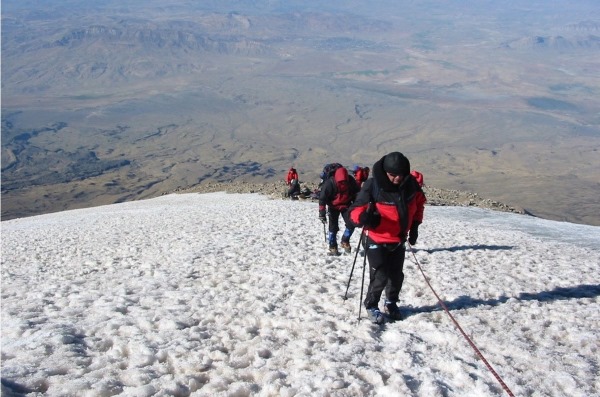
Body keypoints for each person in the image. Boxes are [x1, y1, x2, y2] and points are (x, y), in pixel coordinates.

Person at [349, 152, 426, 324]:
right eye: (393, 175)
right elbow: (353, 211)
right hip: (375, 237)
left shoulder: (411, 185)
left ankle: (391, 302)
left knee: (396, 276)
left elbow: (419, 205)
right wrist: (363, 219)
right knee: (381, 274)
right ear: (385, 172)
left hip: (398, 239)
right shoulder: (373, 185)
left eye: (401, 174)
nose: (397, 178)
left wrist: (415, 226)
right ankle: (371, 305)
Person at [319, 166, 360, 255]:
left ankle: (345, 240)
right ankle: (332, 246)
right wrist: (322, 213)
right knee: (333, 227)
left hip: (346, 205)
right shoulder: (330, 183)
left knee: (351, 223)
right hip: (333, 206)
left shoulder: (350, 181)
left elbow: (357, 193)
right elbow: (322, 198)